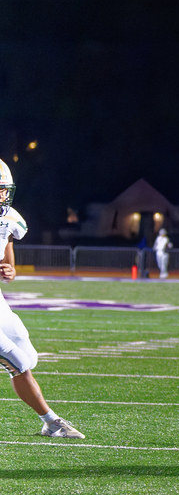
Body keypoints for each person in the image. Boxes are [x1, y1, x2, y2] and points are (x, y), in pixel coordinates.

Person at [0, 158, 84, 439]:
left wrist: (10, 270)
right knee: (17, 362)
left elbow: (7, 257)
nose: (2, 195)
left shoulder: (8, 217)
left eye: (4, 189)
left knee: (26, 352)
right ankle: (51, 421)